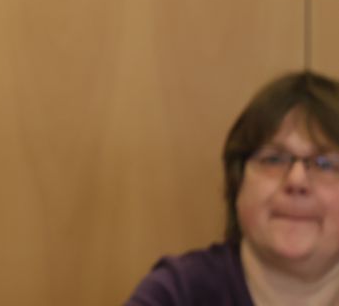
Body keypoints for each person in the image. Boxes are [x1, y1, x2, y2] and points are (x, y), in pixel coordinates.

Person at [127, 71, 339, 305]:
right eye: (273, 159)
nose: (296, 181)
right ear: (238, 183)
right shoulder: (177, 292)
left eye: (326, 164)